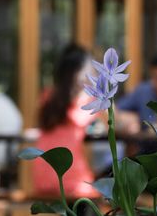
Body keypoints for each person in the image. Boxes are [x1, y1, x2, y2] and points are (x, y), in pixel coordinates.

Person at [33, 44, 99, 199]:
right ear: (79, 74)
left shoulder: (47, 96)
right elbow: (119, 121)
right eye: (90, 69)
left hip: (42, 177)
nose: (94, 74)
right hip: (71, 180)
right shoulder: (88, 101)